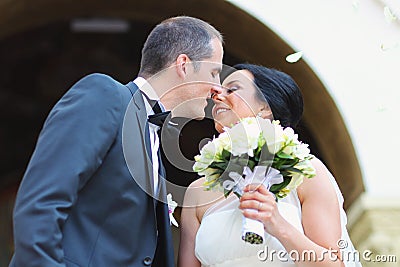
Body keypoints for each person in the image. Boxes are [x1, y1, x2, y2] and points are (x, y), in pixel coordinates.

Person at [10, 16, 223, 267]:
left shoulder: (153, 135)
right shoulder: (106, 96)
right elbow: (41, 205)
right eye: (214, 72)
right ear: (184, 65)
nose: (217, 88)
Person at [178, 64, 361, 267]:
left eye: (232, 89)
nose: (217, 94)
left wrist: (278, 224)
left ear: (264, 107)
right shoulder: (196, 192)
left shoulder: (304, 171)